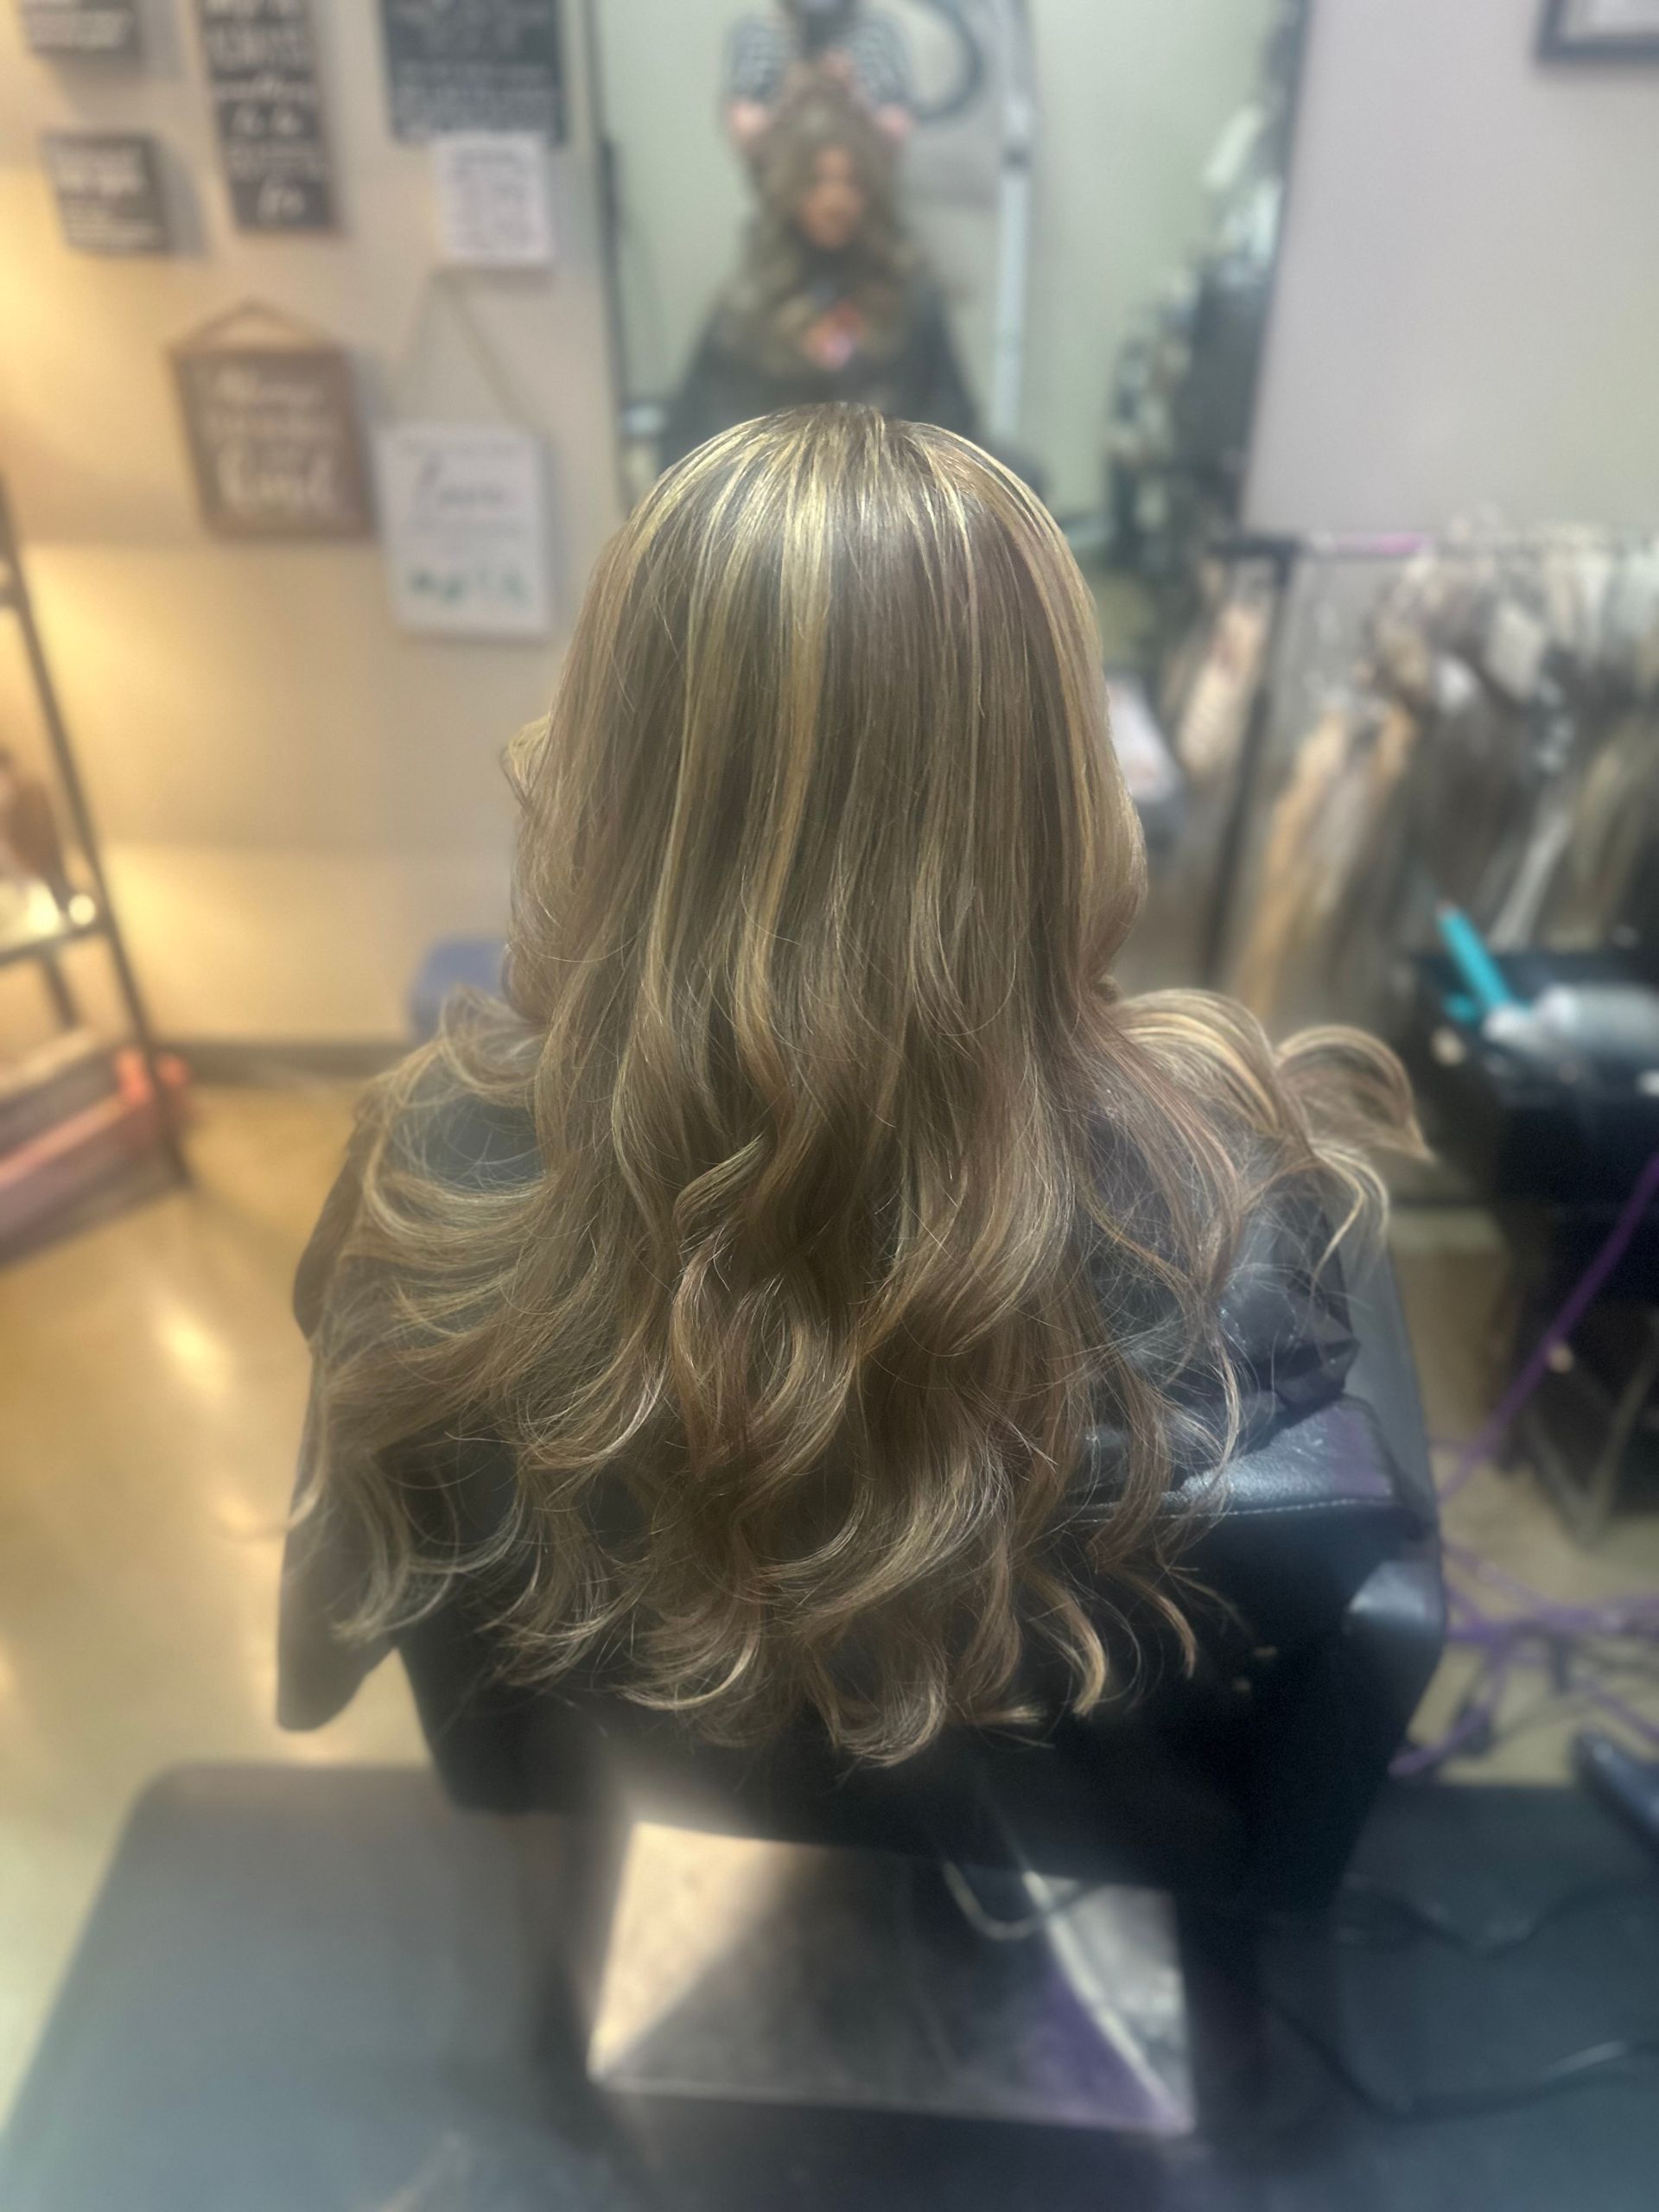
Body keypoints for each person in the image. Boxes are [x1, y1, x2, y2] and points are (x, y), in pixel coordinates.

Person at [283, 405, 1417, 1777]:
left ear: (614, 762)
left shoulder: (424, 1167)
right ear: (1061, 782)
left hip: (637, 1780)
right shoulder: (1249, 1210)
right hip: (1032, 1788)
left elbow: (341, 1615)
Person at [660, 82, 976, 471]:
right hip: (771, 513)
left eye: (851, 182)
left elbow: (956, 431)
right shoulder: (745, 312)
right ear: (789, 189)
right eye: (818, 181)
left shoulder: (913, 304)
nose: (835, 202)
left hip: (890, 511)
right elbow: (693, 442)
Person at [725, 0, 915, 154]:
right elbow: (746, 135)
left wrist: (852, 93)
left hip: (862, 189)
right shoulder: (759, 34)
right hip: (782, 190)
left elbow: (897, 132)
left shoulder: (878, 32)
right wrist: (788, 96)